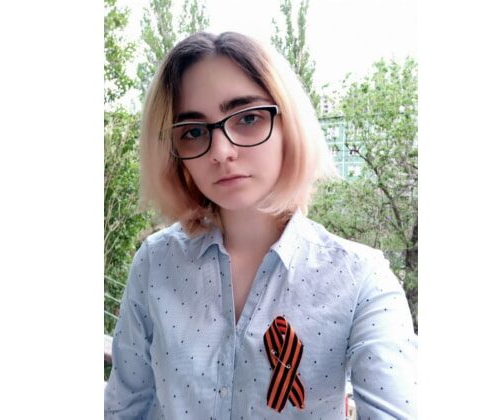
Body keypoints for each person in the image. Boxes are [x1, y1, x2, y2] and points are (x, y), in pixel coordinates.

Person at [104, 31, 417, 419]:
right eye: (194, 132)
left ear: (289, 124)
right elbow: (124, 407)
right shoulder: (155, 264)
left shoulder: (360, 278)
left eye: (248, 118)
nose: (221, 151)